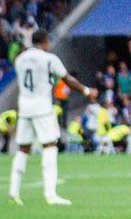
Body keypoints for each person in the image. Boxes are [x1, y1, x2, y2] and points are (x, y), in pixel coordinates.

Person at [9, 29, 97, 207]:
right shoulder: (49, 58)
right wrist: (87, 91)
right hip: (42, 107)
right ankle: (51, 194)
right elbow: (68, 80)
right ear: (45, 42)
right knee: (50, 146)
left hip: (25, 107)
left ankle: (14, 191)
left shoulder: (20, 59)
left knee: (22, 149)